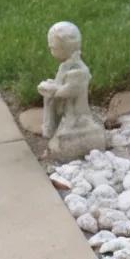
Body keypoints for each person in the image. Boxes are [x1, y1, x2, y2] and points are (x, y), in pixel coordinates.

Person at [38, 21, 105, 161]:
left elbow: (69, 91)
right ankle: (56, 127)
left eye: (53, 48)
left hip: (77, 112)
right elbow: (61, 85)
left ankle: (76, 132)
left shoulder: (78, 70)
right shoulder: (66, 66)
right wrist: (52, 85)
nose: (51, 51)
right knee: (53, 103)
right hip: (68, 109)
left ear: (66, 48)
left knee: (70, 124)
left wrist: (52, 89)